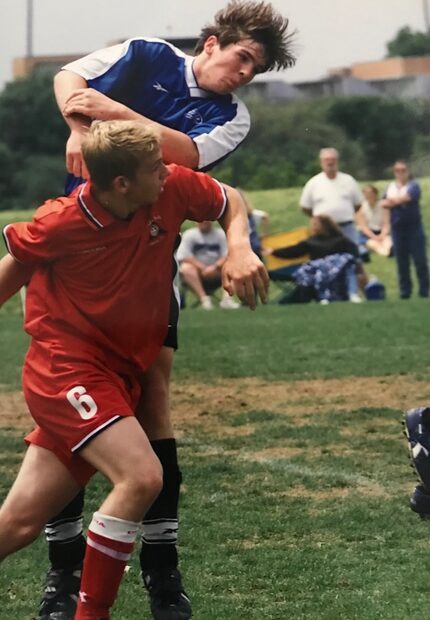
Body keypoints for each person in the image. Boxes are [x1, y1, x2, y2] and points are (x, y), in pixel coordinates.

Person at [25, 3, 295, 619]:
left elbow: (184, 158)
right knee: (67, 422)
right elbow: (68, 78)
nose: (245, 75)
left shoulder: (232, 117)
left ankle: (162, 573)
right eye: (244, 58)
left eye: (255, 70)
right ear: (211, 43)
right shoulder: (146, 52)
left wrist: (108, 113)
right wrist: (76, 125)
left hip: (147, 265)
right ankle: (62, 576)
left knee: (153, 401)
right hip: (74, 258)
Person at [0, 120, 269, 620]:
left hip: (117, 375)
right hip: (66, 372)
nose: (167, 174)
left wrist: (239, 245)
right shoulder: (60, 222)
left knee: (17, 525)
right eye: (153, 168)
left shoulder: (168, 187)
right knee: (141, 477)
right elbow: (12, 268)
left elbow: (230, 198)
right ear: (121, 183)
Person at [264, 215, 361, 304]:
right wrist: (274, 252)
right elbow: (294, 251)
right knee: (309, 277)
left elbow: (354, 252)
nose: (312, 227)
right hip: (317, 272)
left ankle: (351, 294)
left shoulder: (341, 240)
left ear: (325, 225)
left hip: (338, 271)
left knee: (349, 266)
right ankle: (321, 298)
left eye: (315, 224)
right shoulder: (312, 241)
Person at [380, 160, 429, 299]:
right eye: (398, 170)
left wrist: (392, 202)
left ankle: (424, 290)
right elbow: (383, 203)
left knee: (420, 261)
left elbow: (407, 198)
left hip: (414, 228)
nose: (400, 173)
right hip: (397, 229)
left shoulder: (413, 185)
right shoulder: (390, 187)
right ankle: (405, 292)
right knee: (402, 262)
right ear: (394, 172)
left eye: (403, 170)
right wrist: (394, 201)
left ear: (408, 171)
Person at [300, 148, 363, 244]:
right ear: (321, 162)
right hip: (323, 230)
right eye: (326, 160)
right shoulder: (313, 183)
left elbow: (357, 204)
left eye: (332, 159)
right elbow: (306, 207)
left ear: (337, 161)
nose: (330, 162)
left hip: (346, 227)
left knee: (351, 256)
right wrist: (321, 219)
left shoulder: (349, 180)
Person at [178, 221, 240, 310]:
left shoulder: (221, 234)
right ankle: (205, 300)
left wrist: (214, 267)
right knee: (185, 268)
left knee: (232, 266)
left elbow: (227, 254)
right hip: (196, 273)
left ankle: (227, 299)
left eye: (207, 221)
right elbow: (184, 256)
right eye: (202, 221)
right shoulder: (189, 235)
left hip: (218, 272)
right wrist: (202, 268)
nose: (204, 223)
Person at [356, 185, 392, 258]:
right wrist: (374, 237)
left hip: (382, 231)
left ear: (376, 194)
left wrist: (382, 235)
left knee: (388, 242)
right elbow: (364, 226)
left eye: (371, 194)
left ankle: (389, 250)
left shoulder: (383, 206)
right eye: (367, 194)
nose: (369, 196)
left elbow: (386, 223)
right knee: (374, 244)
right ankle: (386, 253)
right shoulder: (361, 208)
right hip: (368, 234)